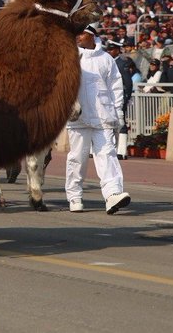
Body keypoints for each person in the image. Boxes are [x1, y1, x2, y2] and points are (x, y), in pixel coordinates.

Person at [65, 25, 131, 215]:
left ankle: (112, 194)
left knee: (107, 155)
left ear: (92, 36)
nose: (77, 37)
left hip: (103, 116)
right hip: (79, 118)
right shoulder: (70, 57)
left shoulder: (106, 59)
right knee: (77, 158)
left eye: (82, 33)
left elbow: (116, 87)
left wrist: (117, 111)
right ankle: (75, 196)